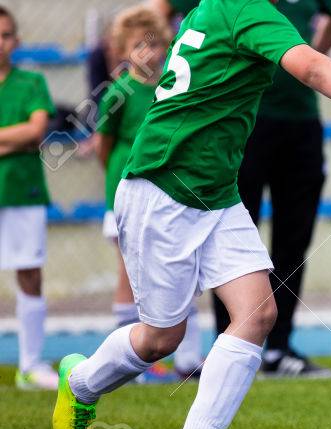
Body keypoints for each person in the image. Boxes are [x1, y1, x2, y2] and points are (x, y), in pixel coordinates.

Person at [53, 0, 331, 429]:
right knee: (160, 339)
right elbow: (311, 67)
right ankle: (82, 381)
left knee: (258, 313)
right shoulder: (246, 9)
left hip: (215, 191)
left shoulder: (213, 9)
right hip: (165, 187)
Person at [208, 0, 331, 378]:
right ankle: (227, 343)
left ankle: (279, 348)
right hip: (246, 123)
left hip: (301, 121)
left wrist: (315, 49)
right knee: (232, 238)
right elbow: (163, 11)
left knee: (294, 239)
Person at [97, 5, 207, 380]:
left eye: (155, 44)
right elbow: (104, 145)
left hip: (168, 192)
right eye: (138, 46)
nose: (149, 53)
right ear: (121, 49)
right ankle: (130, 365)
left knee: (181, 272)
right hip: (127, 192)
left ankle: (188, 359)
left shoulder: (171, 88)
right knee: (130, 275)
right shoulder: (118, 92)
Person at [0, 6, 57, 391]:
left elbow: (36, 130)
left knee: (30, 273)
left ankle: (30, 364)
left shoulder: (32, 82)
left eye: (5, 34)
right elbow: (19, 134)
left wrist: (18, 137)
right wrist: (9, 138)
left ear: (16, 41)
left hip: (23, 188)